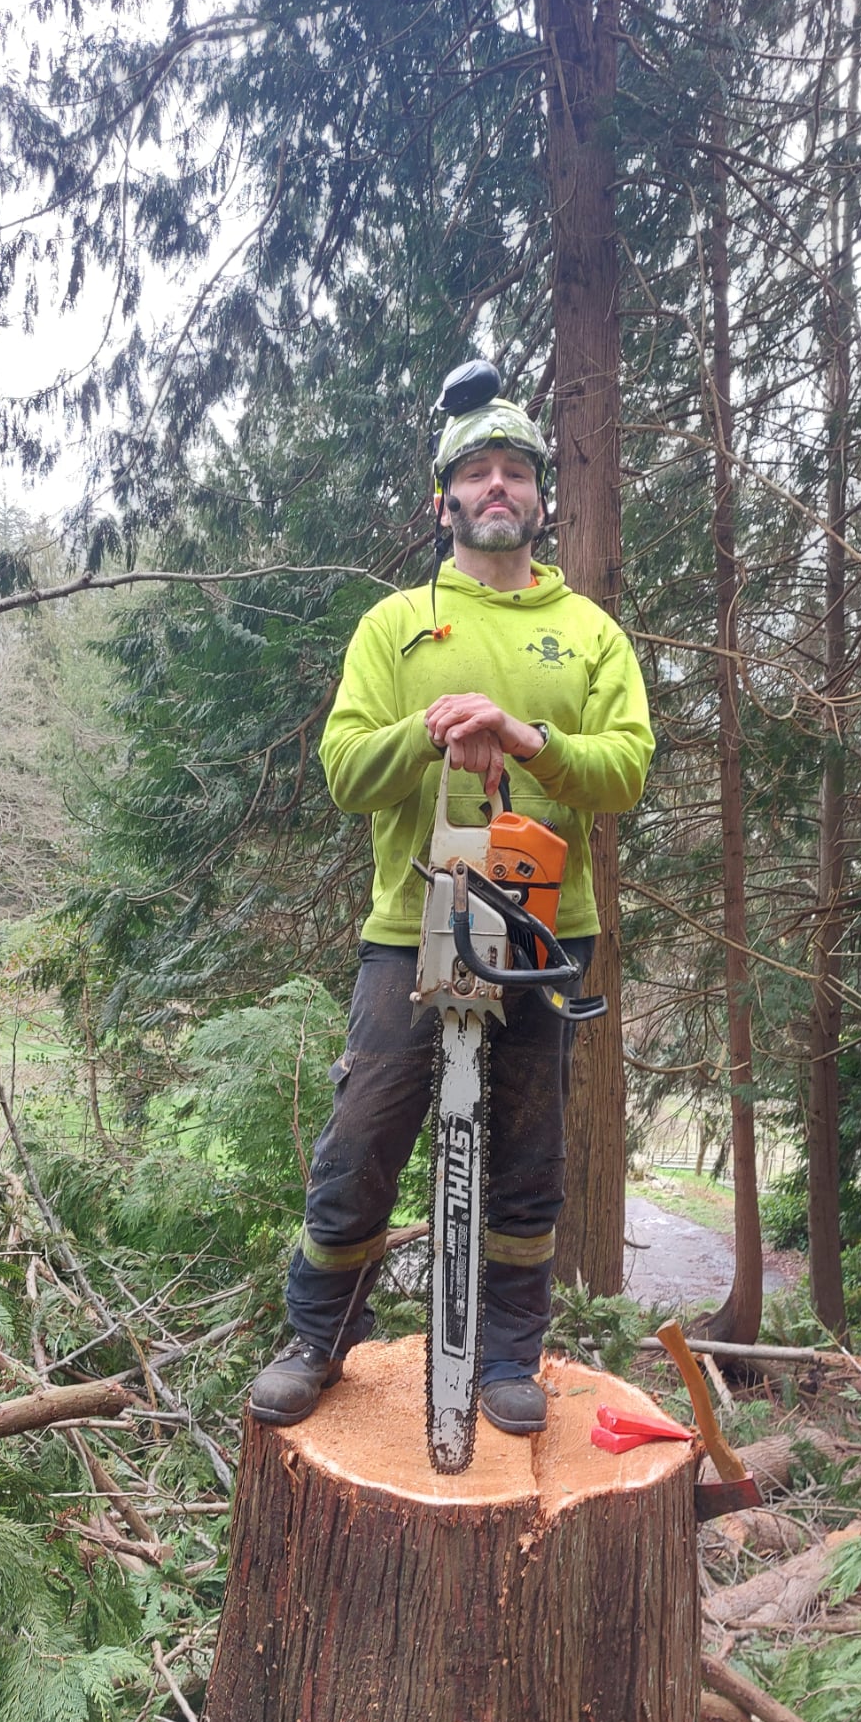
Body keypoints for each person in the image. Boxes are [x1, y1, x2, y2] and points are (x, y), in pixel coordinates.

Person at [248, 390, 654, 1434]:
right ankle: (317, 1337)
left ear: (538, 496)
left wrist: (527, 737)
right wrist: (431, 732)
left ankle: (507, 1357)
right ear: (445, 501)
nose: (498, 485)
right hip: (412, 918)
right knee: (363, 1136)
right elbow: (344, 771)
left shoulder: (588, 632)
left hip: (545, 926)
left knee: (527, 1148)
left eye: (516, 468)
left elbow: (627, 770)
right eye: (478, 470)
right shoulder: (395, 625)